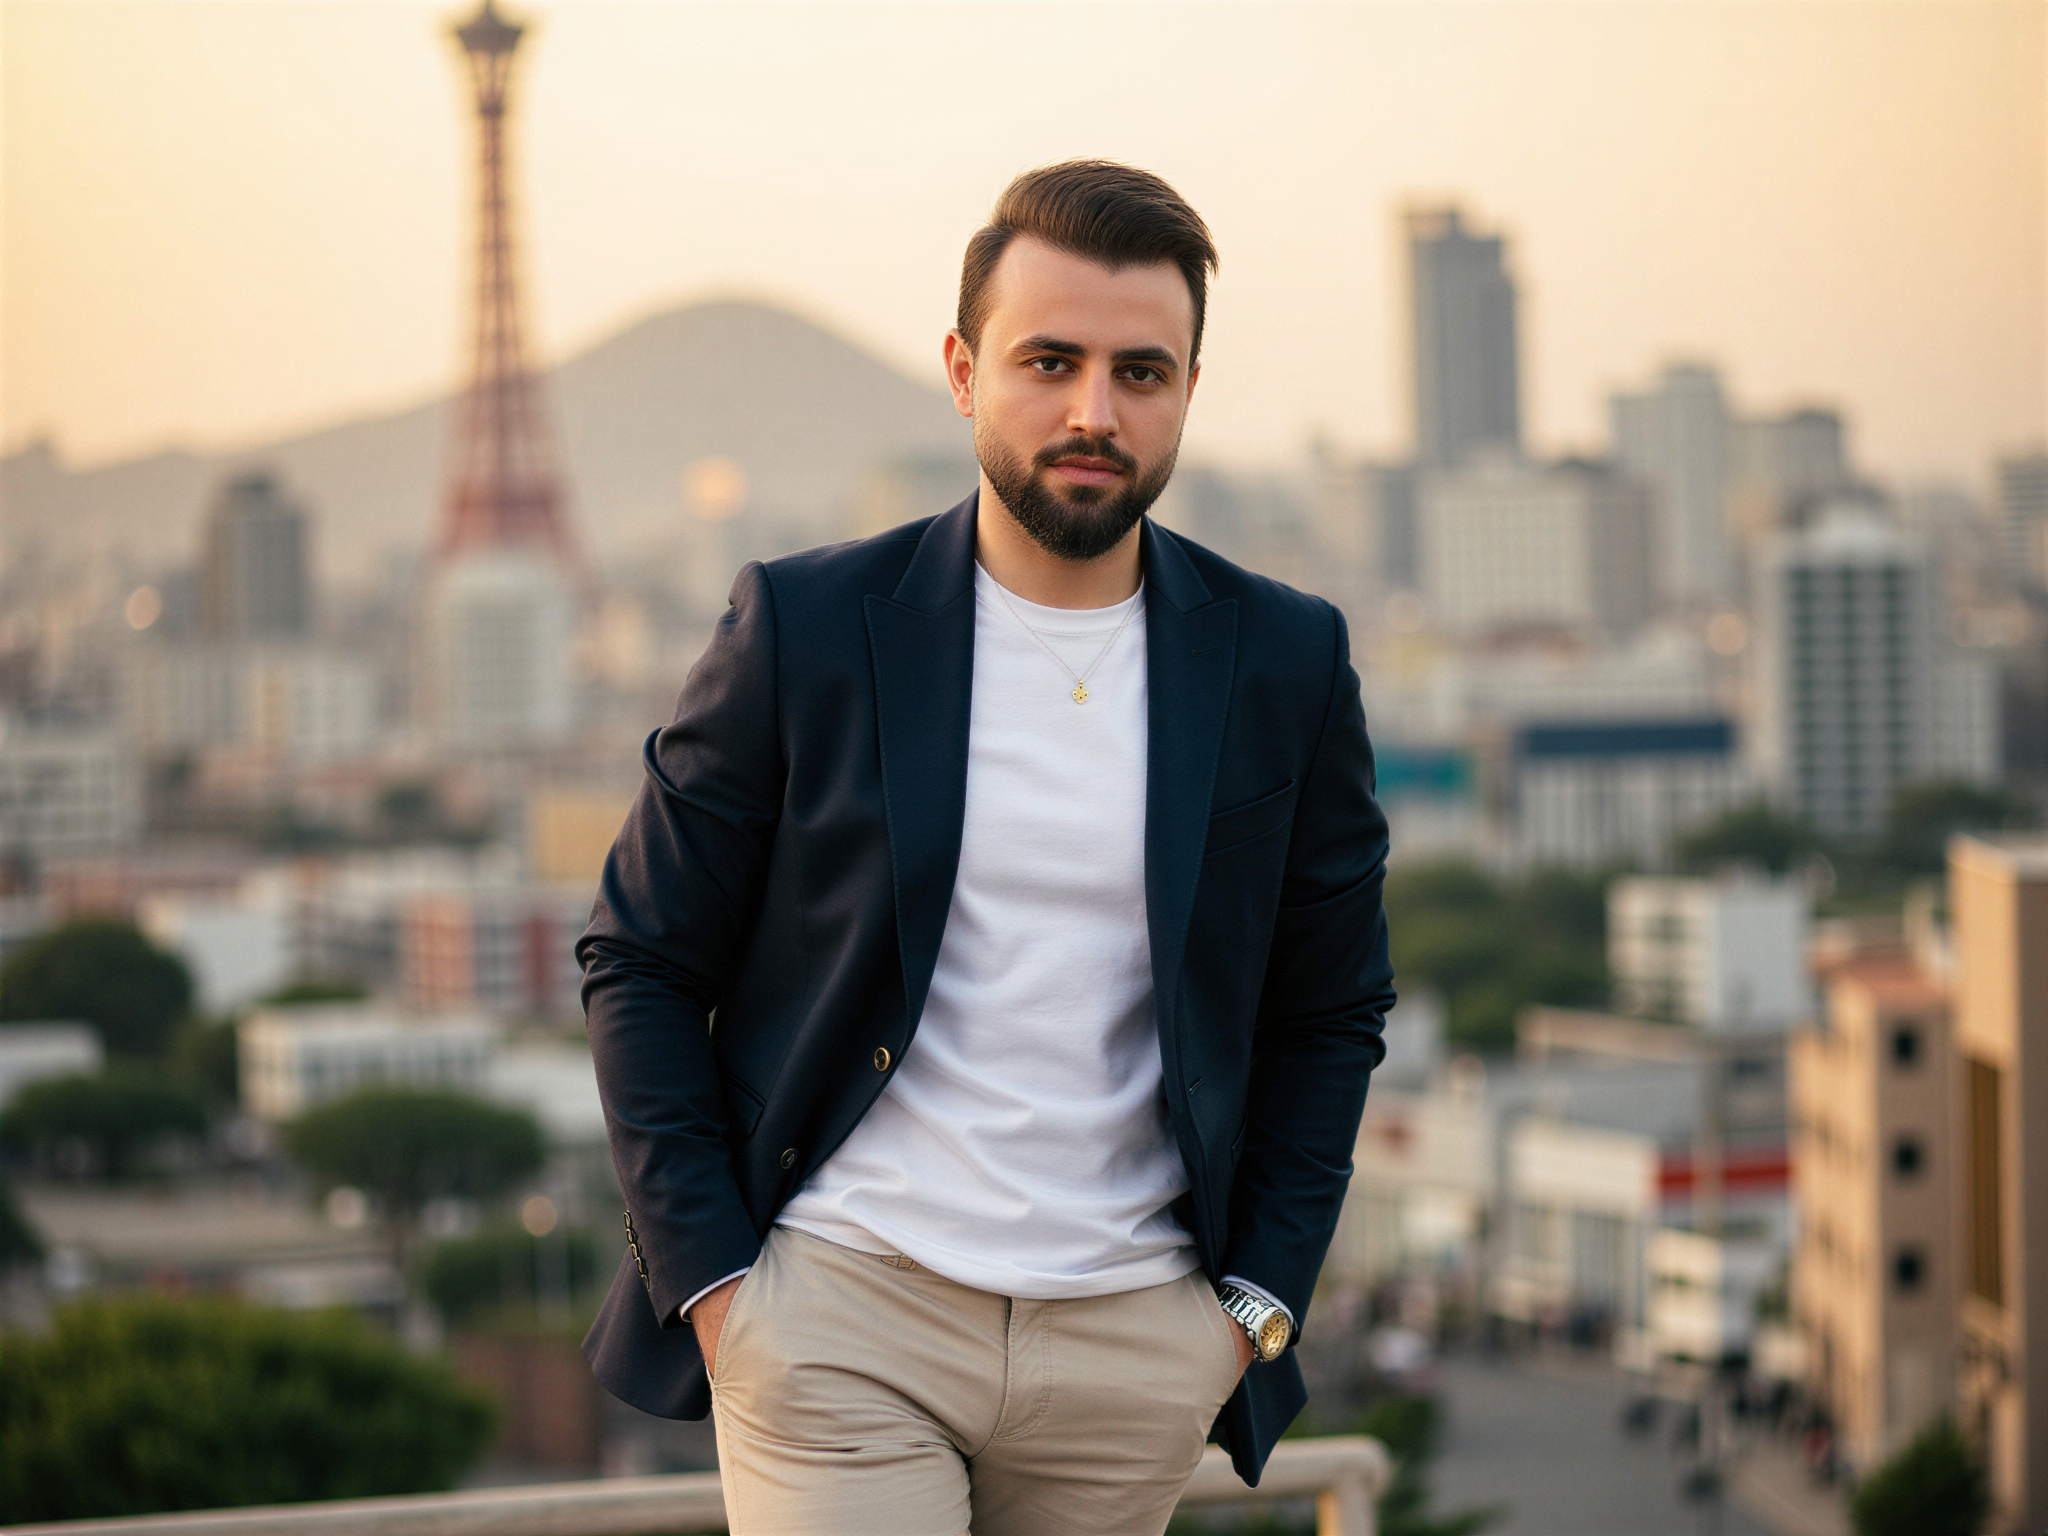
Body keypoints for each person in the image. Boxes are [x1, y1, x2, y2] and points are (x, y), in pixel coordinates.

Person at [579, 158, 1394, 1536]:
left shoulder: (1284, 658)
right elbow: (640, 957)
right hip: (844, 1317)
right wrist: (719, 1288)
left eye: (1142, 371)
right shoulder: (809, 630)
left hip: (1138, 1343)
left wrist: (1250, 1306)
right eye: (1049, 361)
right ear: (963, 372)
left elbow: (1332, 1007)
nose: (1094, 410)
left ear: (1191, 387)